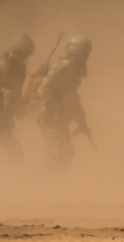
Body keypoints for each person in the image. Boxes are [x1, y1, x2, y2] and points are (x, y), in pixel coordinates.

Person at [24, 36, 91, 168]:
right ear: (78, 52)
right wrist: (50, 107)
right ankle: (36, 184)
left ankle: (48, 184)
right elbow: (44, 88)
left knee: (67, 155)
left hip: (58, 116)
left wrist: (81, 119)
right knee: (58, 156)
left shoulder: (73, 68)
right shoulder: (64, 66)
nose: (86, 55)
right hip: (49, 115)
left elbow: (71, 96)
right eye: (85, 52)